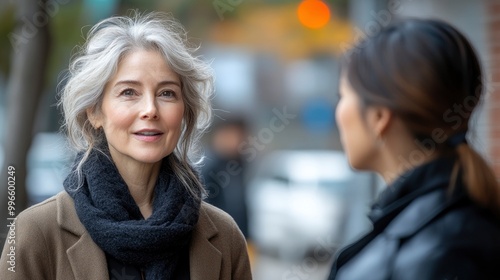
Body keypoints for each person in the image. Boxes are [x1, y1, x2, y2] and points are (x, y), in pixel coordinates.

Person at [0, 12, 252, 280]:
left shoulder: (224, 237)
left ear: (184, 113)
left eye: (167, 93)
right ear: (95, 112)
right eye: (129, 92)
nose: (150, 110)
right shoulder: (37, 232)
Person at [329, 18, 500, 280]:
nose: (338, 112)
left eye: (343, 96)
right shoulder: (461, 226)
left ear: (379, 117)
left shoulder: (436, 254)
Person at [202, 117, 250, 239]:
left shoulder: (238, 164)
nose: (236, 141)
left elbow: (241, 207)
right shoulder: (209, 167)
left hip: (238, 236)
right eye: (231, 136)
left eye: (239, 136)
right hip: (218, 239)